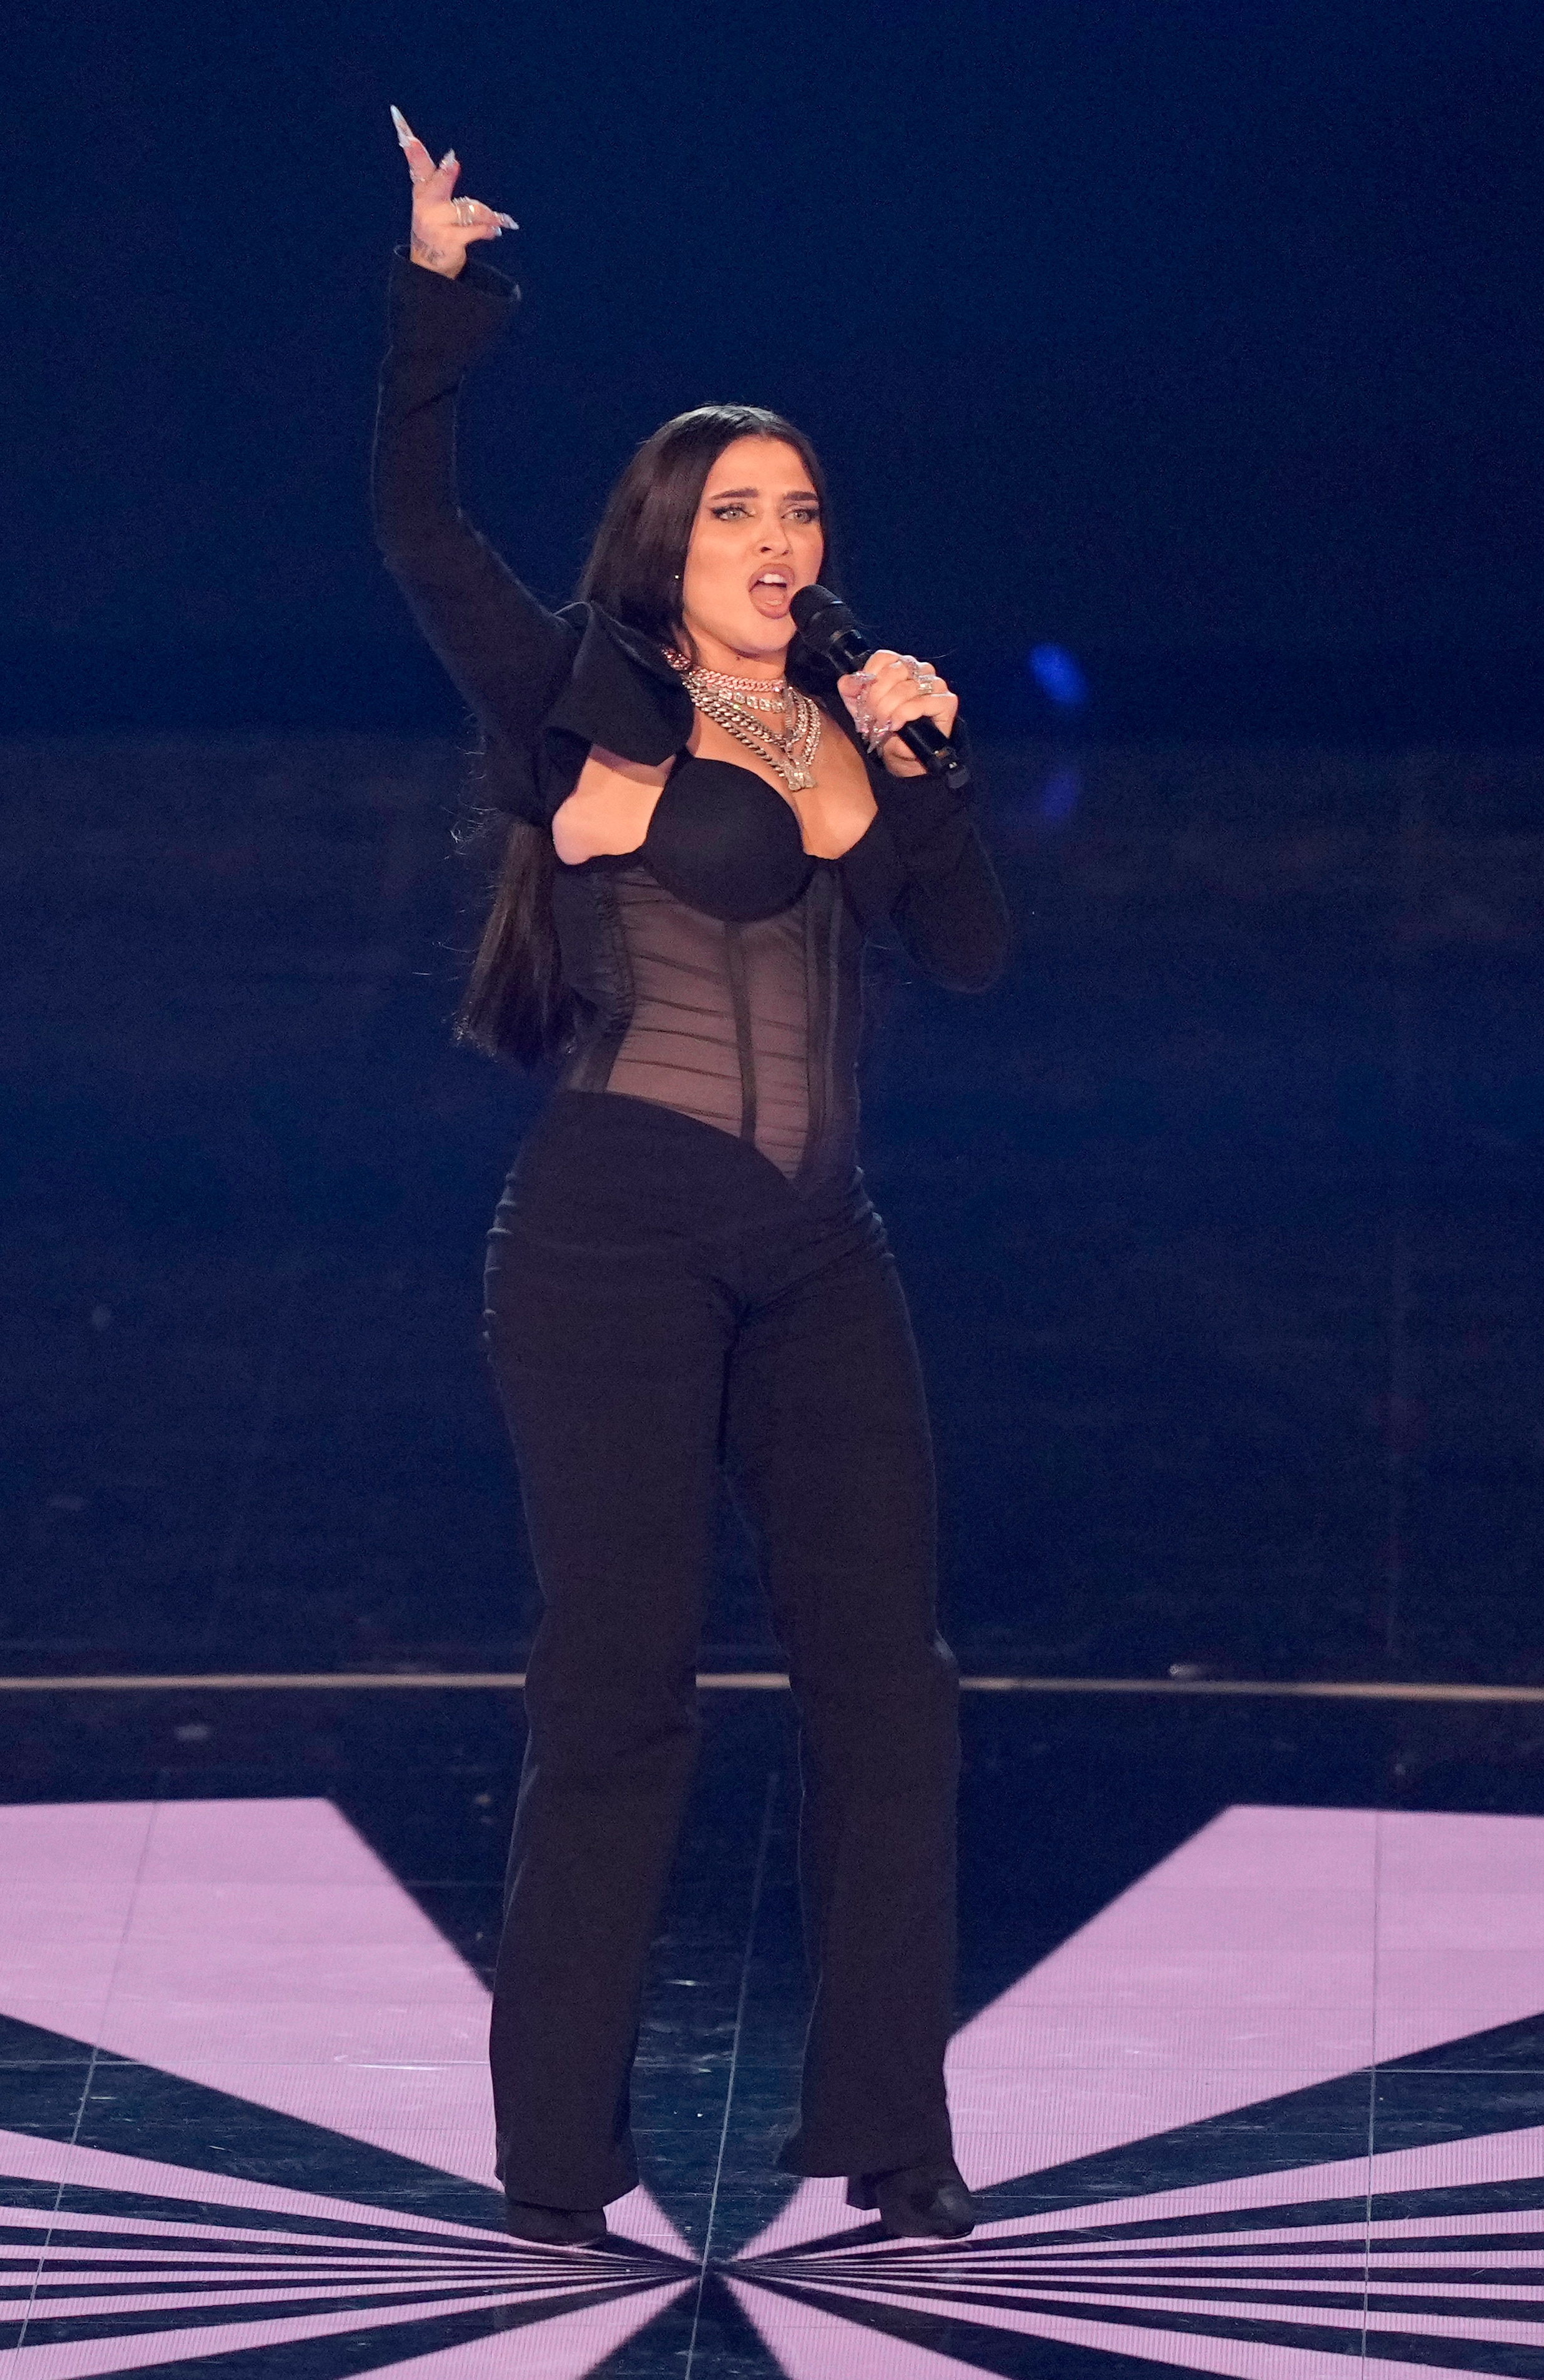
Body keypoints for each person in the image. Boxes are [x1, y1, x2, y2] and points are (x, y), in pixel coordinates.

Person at [373, 108, 1010, 2250]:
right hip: (617, 1246)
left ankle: (891, 2134)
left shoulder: (853, 694)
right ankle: (561, 2162)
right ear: (666, 541)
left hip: (825, 1253)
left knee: (890, 1693)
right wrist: (439, 304)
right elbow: (418, 527)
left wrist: (921, 767)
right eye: (736, 503)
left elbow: (974, 947)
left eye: (800, 504)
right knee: (620, 1690)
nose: (777, 529)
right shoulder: (588, 696)